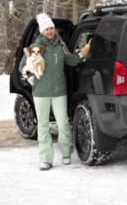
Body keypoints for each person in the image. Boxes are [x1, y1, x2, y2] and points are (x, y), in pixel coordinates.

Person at [19, 13, 91, 171]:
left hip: (59, 91)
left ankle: (66, 153)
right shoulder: (35, 47)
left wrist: (83, 53)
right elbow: (22, 67)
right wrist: (30, 71)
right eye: (47, 29)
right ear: (42, 31)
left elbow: (70, 60)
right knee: (43, 126)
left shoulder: (61, 45)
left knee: (64, 123)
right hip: (40, 92)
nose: (50, 31)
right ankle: (45, 159)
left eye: (52, 28)